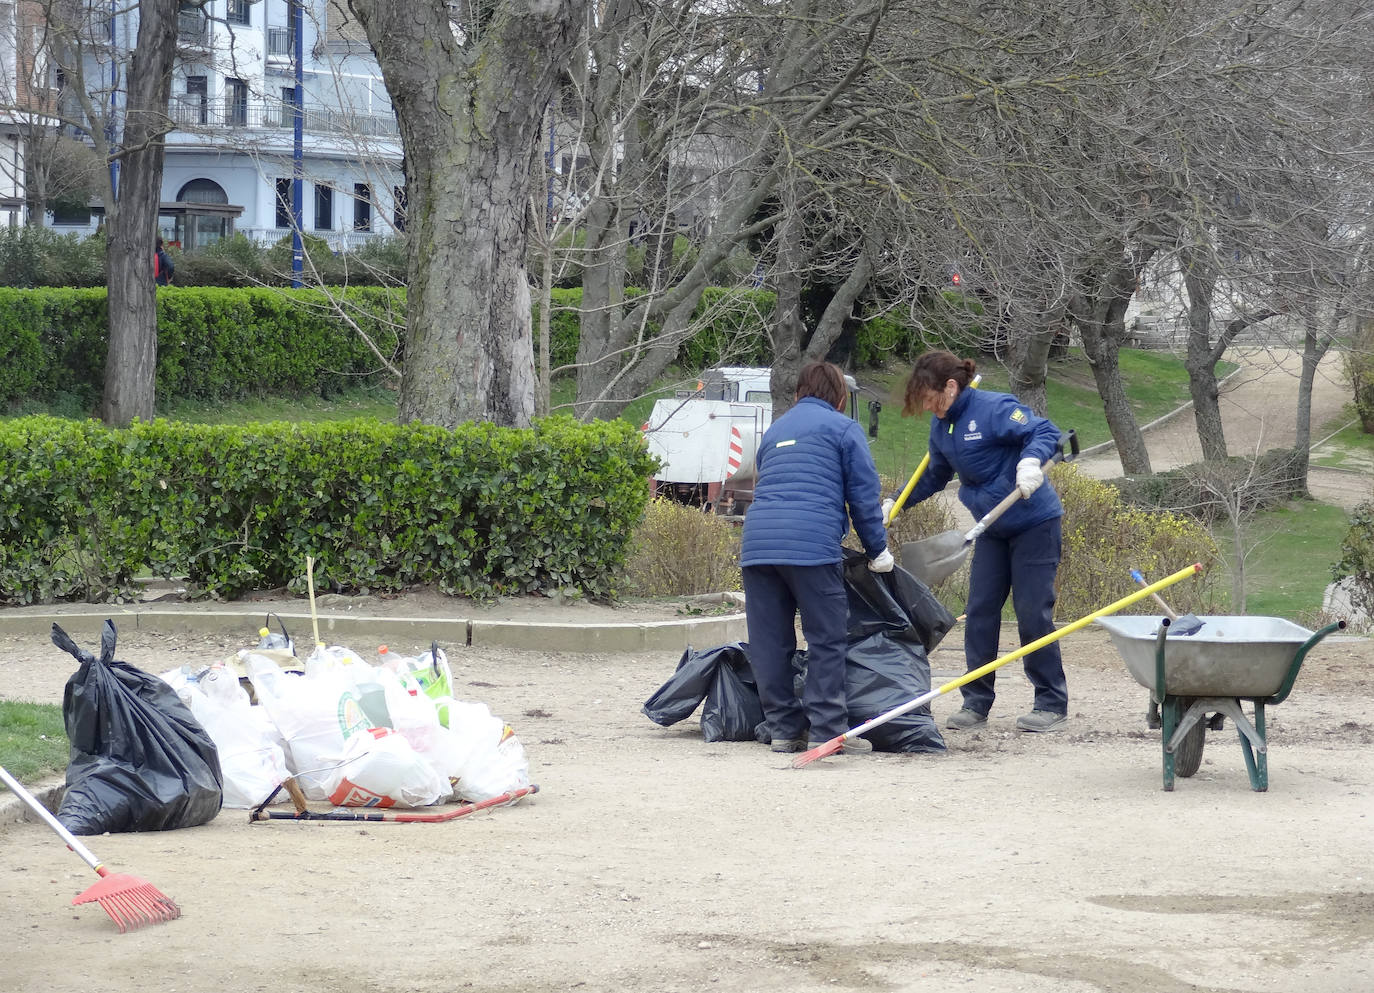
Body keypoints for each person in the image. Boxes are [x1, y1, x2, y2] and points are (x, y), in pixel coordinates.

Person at [884, 350, 1069, 733]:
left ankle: (1050, 701)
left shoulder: (993, 408)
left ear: (950, 387)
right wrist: (896, 502)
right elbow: (934, 474)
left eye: (931, 399)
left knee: (1033, 612)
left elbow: (1044, 432)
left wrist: (1030, 461)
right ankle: (976, 702)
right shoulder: (943, 427)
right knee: (980, 613)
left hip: (1034, 523)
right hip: (992, 529)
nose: (928, 407)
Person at [741, 361, 894, 755]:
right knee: (826, 638)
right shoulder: (844, 428)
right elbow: (862, 498)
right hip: (810, 547)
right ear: (840, 398)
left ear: (797, 394)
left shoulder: (775, 431)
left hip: (758, 546)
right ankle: (828, 731)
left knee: (770, 642)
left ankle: (783, 730)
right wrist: (878, 551)